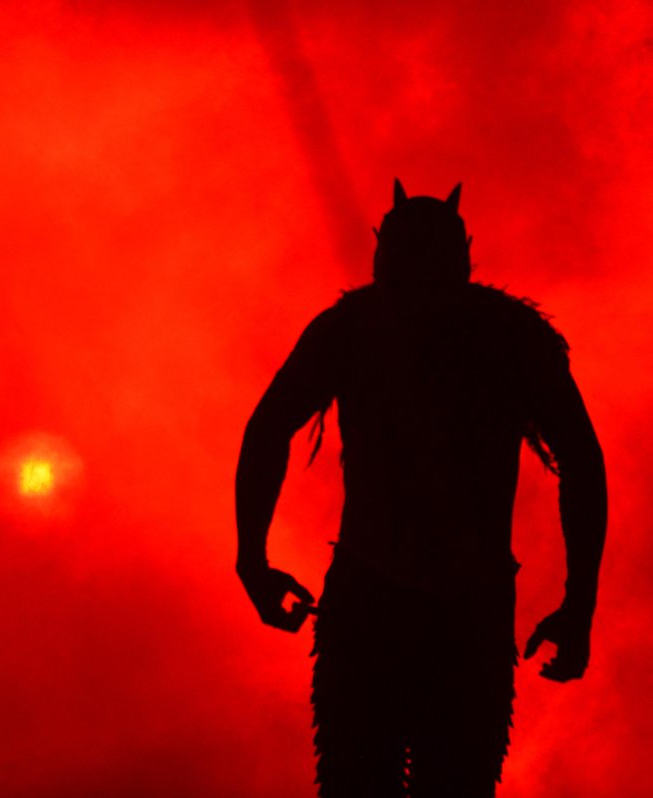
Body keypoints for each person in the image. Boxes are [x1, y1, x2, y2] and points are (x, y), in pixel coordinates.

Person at [235, 181, 606, 797]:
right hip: (439, 605)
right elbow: (582, 462)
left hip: (408, 602)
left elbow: (269, 427)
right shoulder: (504, 336)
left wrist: (253, 560)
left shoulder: (357, 328)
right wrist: (579, 601)